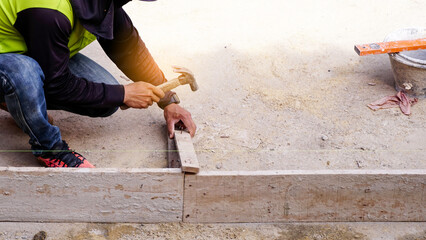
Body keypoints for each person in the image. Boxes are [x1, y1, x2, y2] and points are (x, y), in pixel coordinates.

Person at [0, 0, 196, 168]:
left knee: (105, 99)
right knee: (24, 73)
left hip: (31, 45)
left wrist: (168, 99)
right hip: (11, 58)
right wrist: (123, 94)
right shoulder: (50, 11)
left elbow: (128, 48)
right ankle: (50, 150)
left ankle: (14, 100)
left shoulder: (99, 5)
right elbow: (56, 85)